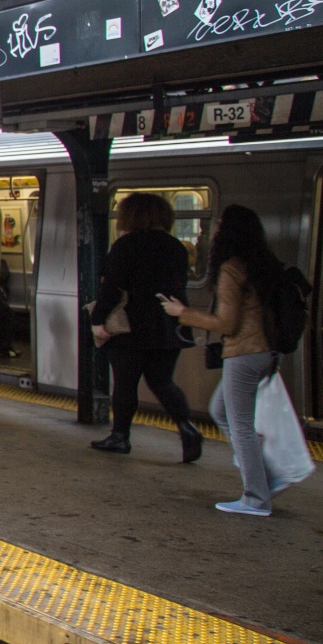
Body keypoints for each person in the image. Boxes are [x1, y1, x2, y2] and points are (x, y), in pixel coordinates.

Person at [161, 205, 283, 515]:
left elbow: (227, 324)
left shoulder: (231, 268)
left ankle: (257, 497)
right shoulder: (260, 263)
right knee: (221, 410)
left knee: (240, 425)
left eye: (217, 226)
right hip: (264, 350)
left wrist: (183, 314)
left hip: (244, 352)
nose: (212, 231)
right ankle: (263, 476)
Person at [88, 193, 201, 461]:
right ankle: (187, 426)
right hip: (168, 325)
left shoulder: (126, 246)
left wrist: (97, 321)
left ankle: (120, 436)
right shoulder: (176, 247)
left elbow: (112, 289)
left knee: (126, 383)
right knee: (162, 381)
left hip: (132, 326)